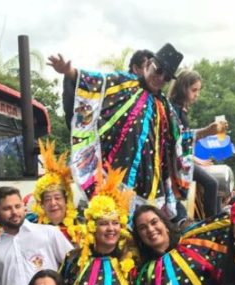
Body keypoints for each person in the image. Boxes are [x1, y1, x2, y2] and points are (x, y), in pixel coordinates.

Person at [49, 43, 191, 219]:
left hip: (147, 179)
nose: (160, 78)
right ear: (147, 65)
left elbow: (180, 140)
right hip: (114, 170)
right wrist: (69, 72)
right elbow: (97, 83)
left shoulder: (165, 107)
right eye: (158, 70)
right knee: (111, 220)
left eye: (167, 77)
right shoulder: (124, 83)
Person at [61, 167, 137, 285]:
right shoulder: (73, 260)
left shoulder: (132, 261)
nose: (111, 229)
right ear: (93, 227)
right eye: (104, 224)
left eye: (115, 223)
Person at [168, 70, 226, 217]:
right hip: (173, 164)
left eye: (198, 91)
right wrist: (207, 131)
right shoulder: (172, 109)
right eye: (194, 90)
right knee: (212, 183)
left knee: (216, 182)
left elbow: (182, 141)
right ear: (183, 88)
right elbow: (176, 140)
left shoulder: (181, 110)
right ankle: (211, 222)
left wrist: (196, 159)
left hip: (183, 159)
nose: (197, 94)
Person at [27, 141, 80, 242]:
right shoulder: (32, 229)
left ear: (66, 201)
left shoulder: (81, 230)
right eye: (47, 199)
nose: (53, 203)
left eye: (57, 198)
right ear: (41, 204)